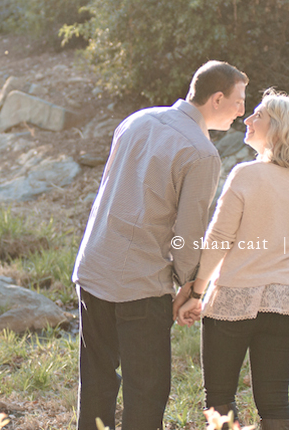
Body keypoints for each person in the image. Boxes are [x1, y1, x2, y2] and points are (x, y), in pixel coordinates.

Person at [73, 61, 248, 430]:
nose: (242, 111)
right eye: (239, 101)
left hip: (93, 266)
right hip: (140, 284)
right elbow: (188, 234)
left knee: (97, 382)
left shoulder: (137, 120)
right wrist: (190, 286)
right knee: (147, 393)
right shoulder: (201, 153)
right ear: (217, 99)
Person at [177, 89, 289, 430]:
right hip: (285, 303)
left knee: (219, 398)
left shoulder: (246, 175)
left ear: (279, 128)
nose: (247, 119)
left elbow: (218, 239)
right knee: (274, 402)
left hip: (233, 301)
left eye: (259, 116)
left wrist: (196, 293)